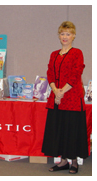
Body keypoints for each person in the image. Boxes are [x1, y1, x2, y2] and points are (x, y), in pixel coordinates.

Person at [41, 21, 89, 174]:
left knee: (72, 130)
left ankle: (74, 161)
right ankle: (63, 162)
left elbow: (76, 74)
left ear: (73, 36)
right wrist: (55, 90)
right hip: (56, 98)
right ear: (59, 35)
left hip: (72, 98)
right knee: (59, 130)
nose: (65, 37)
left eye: (68, 34)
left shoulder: (77, 53)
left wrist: (62, 92)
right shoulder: (54, 54)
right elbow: (50, 73)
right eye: (62, 34)